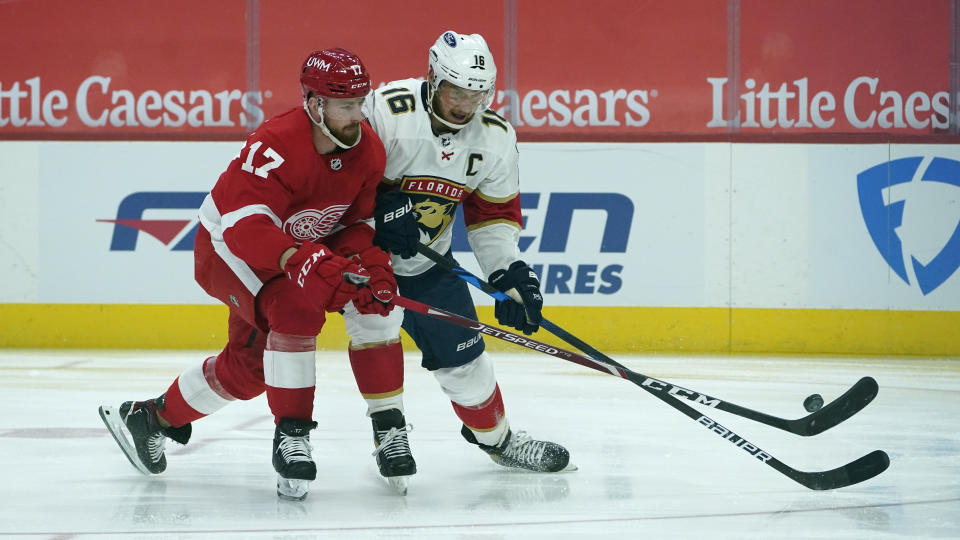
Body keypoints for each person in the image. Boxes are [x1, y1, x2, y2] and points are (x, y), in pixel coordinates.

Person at [98, 48, 401, 501]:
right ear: (315, 104)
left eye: (361, 102)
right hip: (228, 251)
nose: (357, 116)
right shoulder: (275, 143)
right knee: (296, 308)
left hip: (289, 254)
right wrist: (299, 260)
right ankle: (292, 437)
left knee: (252, 367)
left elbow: (354, 225)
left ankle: (151, 419)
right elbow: (245, 229)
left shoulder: (368, 151)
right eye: (345, 106)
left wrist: (371, 268)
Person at [344, 30, 571, 491]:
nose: (466, 104)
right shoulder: (386, 111)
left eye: (477, 93)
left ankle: (498, 439)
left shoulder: (495, 138)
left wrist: (507, 274)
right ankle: (389, 432)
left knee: (465, 362)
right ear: (433, 77)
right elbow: (336, 179)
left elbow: (492, 217)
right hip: (364, 258)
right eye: (456, 91)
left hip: (430, 266)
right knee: (377, 330)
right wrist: (378, 206)